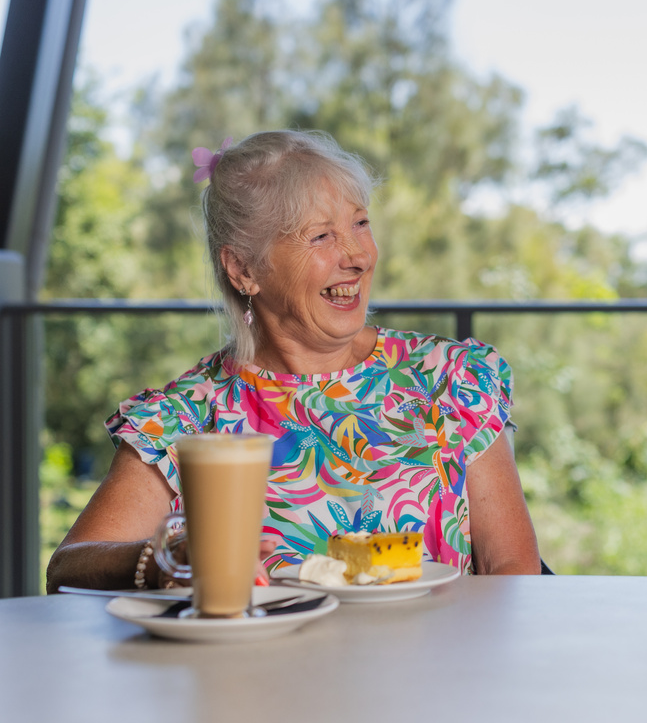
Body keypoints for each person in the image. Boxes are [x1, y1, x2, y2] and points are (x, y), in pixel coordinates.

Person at [47, 130, 541, 591]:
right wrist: (163, 559)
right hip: (261, 677)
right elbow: (68, 566)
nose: (358, 255)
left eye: (360, 223)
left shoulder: (447, 378)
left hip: (442, 671)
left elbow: (512, 572)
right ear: (243, 269)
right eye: (321, 236)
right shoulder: (190, 417)